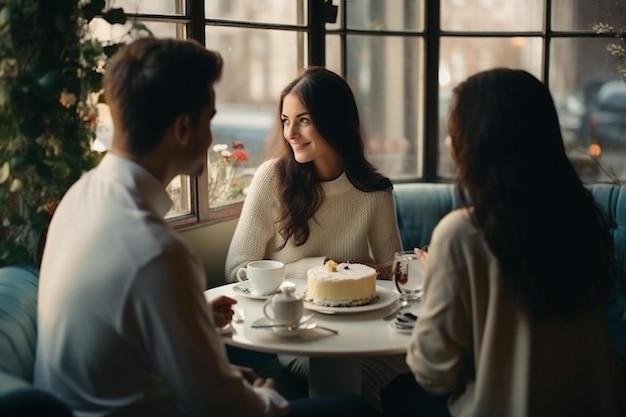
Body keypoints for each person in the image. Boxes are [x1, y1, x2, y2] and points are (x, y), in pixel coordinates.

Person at [33, 38, 379, 417]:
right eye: (210, 120)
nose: (212, 137)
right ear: (183, 128)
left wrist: (189, 312)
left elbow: (120, 337)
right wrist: (268, 396)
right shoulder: (157, 251)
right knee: (356, 409)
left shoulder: (78, 198)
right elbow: (221, 406)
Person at [402, 68, 626, 417]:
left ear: (479, 141)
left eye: (455, 131)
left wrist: (436, 278)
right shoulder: (579, 217)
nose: (449, 143)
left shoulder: (463, 233)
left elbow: (433, 372)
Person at [224, 66, 406, 410]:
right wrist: (322, 268)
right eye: (285, 119)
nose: (290, 132)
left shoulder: (375, 191)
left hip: (364, 330)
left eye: (303, 120)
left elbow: (393, 273)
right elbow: (236, 267)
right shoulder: (271, 178)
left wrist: (387, 271)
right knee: (355, 384)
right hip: (298, 332)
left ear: (334, 120)